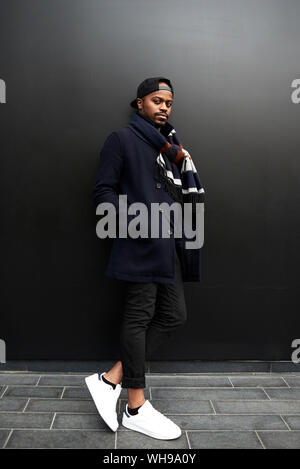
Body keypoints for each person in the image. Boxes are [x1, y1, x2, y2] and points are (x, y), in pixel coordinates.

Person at [85, 77, 205, 440]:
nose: (164, 107)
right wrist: (129, 224)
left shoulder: (174, 150)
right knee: (139, 317)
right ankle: (136, 406)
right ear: (140, 104)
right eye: (157, 100)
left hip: (168, 247)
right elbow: (103, 190)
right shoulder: (121, 140)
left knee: (173, 316)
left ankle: (110, 380)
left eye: (169, 102)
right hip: (139, 243)